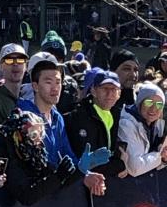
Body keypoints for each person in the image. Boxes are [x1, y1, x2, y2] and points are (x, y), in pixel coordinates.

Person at [19, 52, 107, 195]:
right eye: (48, 82)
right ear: (35, 86)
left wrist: (85, 174)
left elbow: (67, 154)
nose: (55, 88)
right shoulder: (24, 118)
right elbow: (43, 165)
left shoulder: (57, 117)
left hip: (55, 191)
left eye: (58, 82)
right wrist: (79, 172)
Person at [64, 70, 127, 178]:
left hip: (104, 183)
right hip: (80, 184)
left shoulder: (118, 114)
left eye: (114, 89)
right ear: (93, 91)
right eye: (105, 88)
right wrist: (120, 165)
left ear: (119, 94)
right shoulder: (78, 116)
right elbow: (90, 162)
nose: (109, 94)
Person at [118, 82, 167, 177]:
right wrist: (160, 155)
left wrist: (165, 158)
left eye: (159, 105)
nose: (153, 109)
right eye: (149, 103)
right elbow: (135, 168)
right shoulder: (126, 124)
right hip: (126, 185)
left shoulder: (158, 123)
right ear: (139, 103)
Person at [0, 44, 28, 127]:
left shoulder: (31, 97)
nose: (15, 64)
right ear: (1, 66)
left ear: (26, 66)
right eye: (9, 60)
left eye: (20, 60)